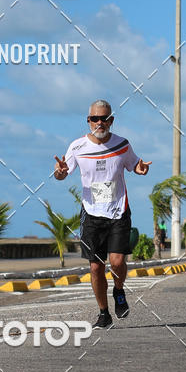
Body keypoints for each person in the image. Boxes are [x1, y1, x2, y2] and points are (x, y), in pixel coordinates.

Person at [54, 99, 151, 328]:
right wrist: (60, 172)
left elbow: (135, 164)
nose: (100, 122)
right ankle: (103, 313)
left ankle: (119, 291)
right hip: (91, 213)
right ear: (88, 121)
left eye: (104, 118)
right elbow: (62, 174)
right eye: (95, 119)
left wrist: (141, 169)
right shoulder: (77, 147)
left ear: (111, 120)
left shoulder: (122, 144)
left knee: (117, 263)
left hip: (118, 211)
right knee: (96, 267)